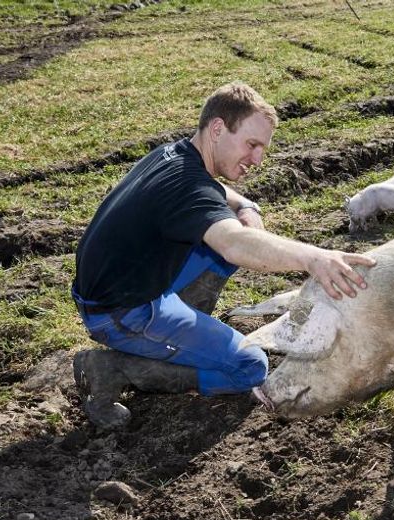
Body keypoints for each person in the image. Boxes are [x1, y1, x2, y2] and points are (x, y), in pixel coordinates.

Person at [71, 81, 375, 428]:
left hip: (116, 289)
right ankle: (113, 369)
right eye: (252, 144)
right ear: (218, 128)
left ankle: (184, 330)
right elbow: (235, 243)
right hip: (124, 312)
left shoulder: (173, 155)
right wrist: (314, 258)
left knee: (223, 241)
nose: (258, 159)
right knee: (251, 366)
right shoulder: (188, 189)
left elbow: (217, 195)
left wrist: (245, 204)